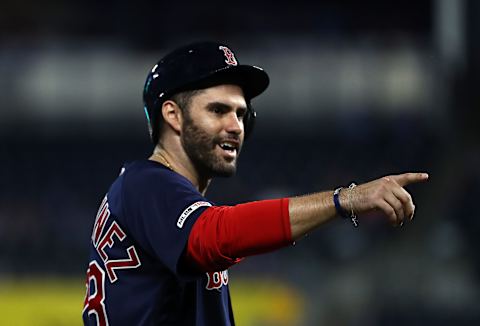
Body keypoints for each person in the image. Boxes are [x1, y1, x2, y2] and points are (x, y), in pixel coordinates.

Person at [82, 41, 429, 326]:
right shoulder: (146, 183)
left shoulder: (156, 197)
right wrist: (344, 200)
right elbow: (212, 237)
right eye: (218, 110)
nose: (236, 126)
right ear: (173, 115)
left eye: (242, 114)